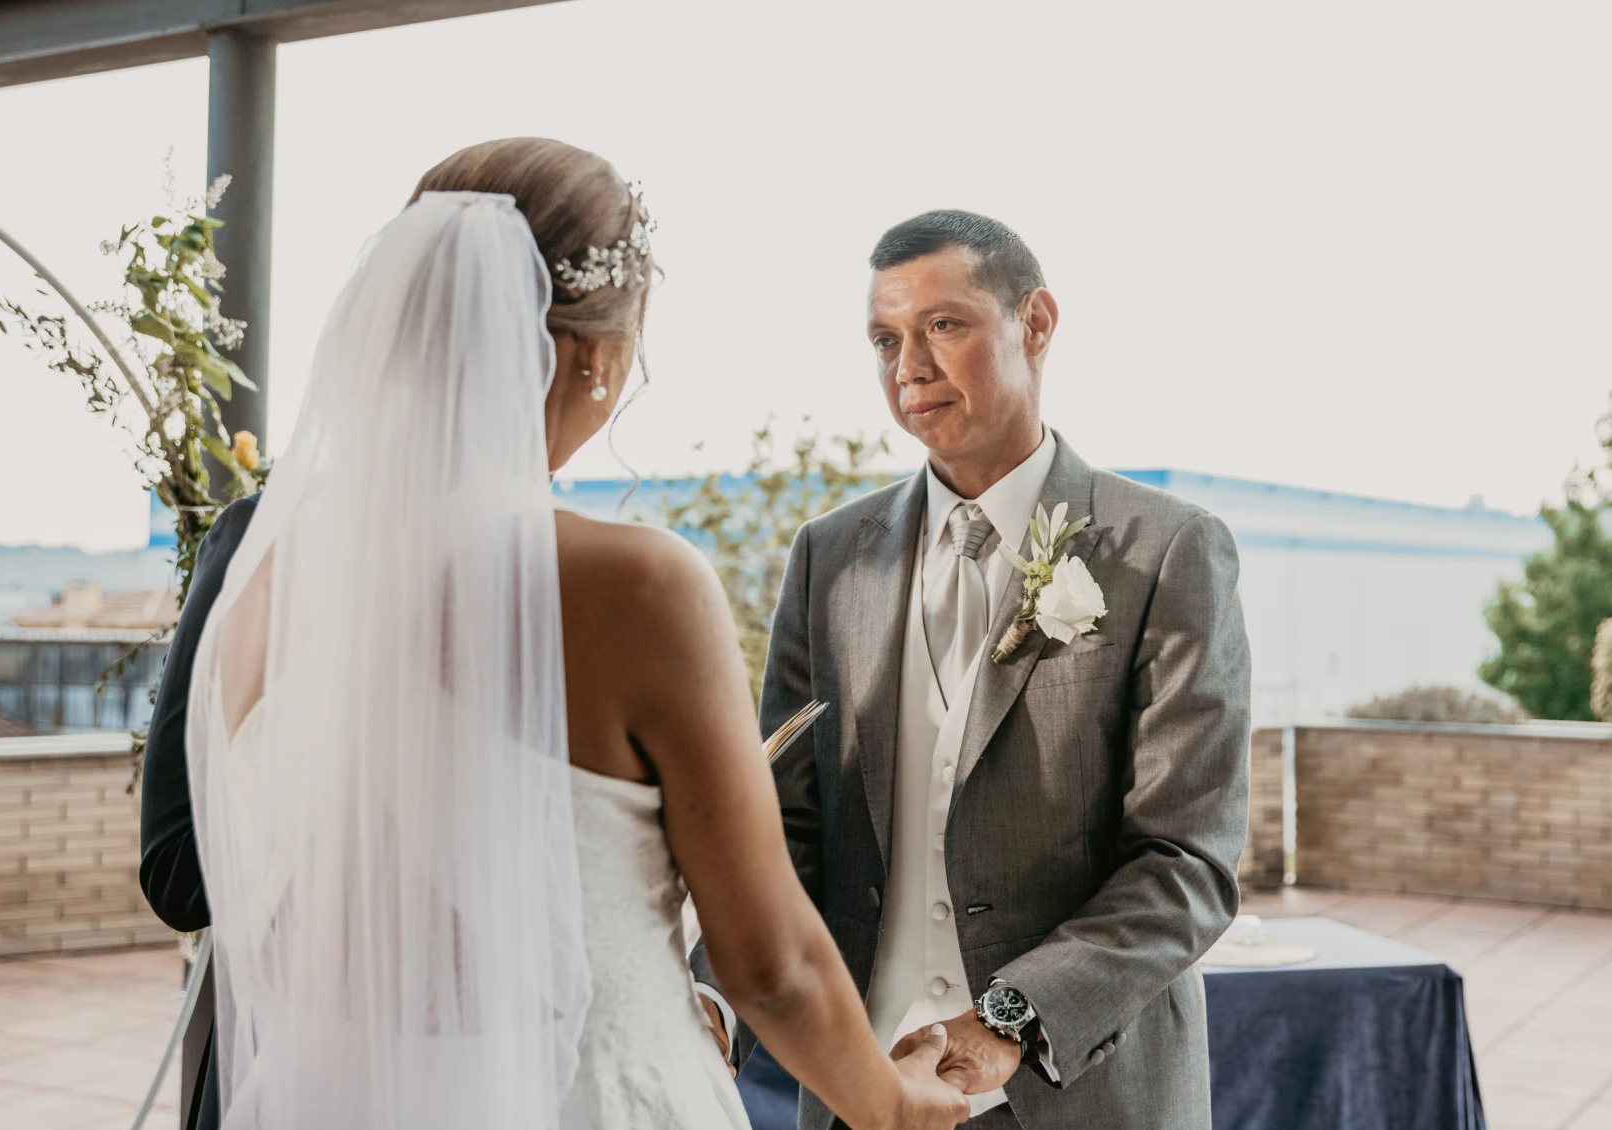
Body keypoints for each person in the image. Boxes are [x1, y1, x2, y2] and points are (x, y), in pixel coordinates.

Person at [149, 138, 970, 1130]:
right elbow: (773, 965)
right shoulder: (640, 584)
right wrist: (894, 1104)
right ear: (595, 354)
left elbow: (244, 889)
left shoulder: (264, 570)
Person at [692, 210, 1253, 1129]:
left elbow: (1185, 860)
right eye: (885, 340)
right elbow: (780, 838)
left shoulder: (1165, 551)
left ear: (1035, 323)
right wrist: (713, 1005)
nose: (908, 367)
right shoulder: (828, 558)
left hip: (1083, 1094)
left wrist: (1008, 1019)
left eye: (943, 326)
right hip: (863, 1091)